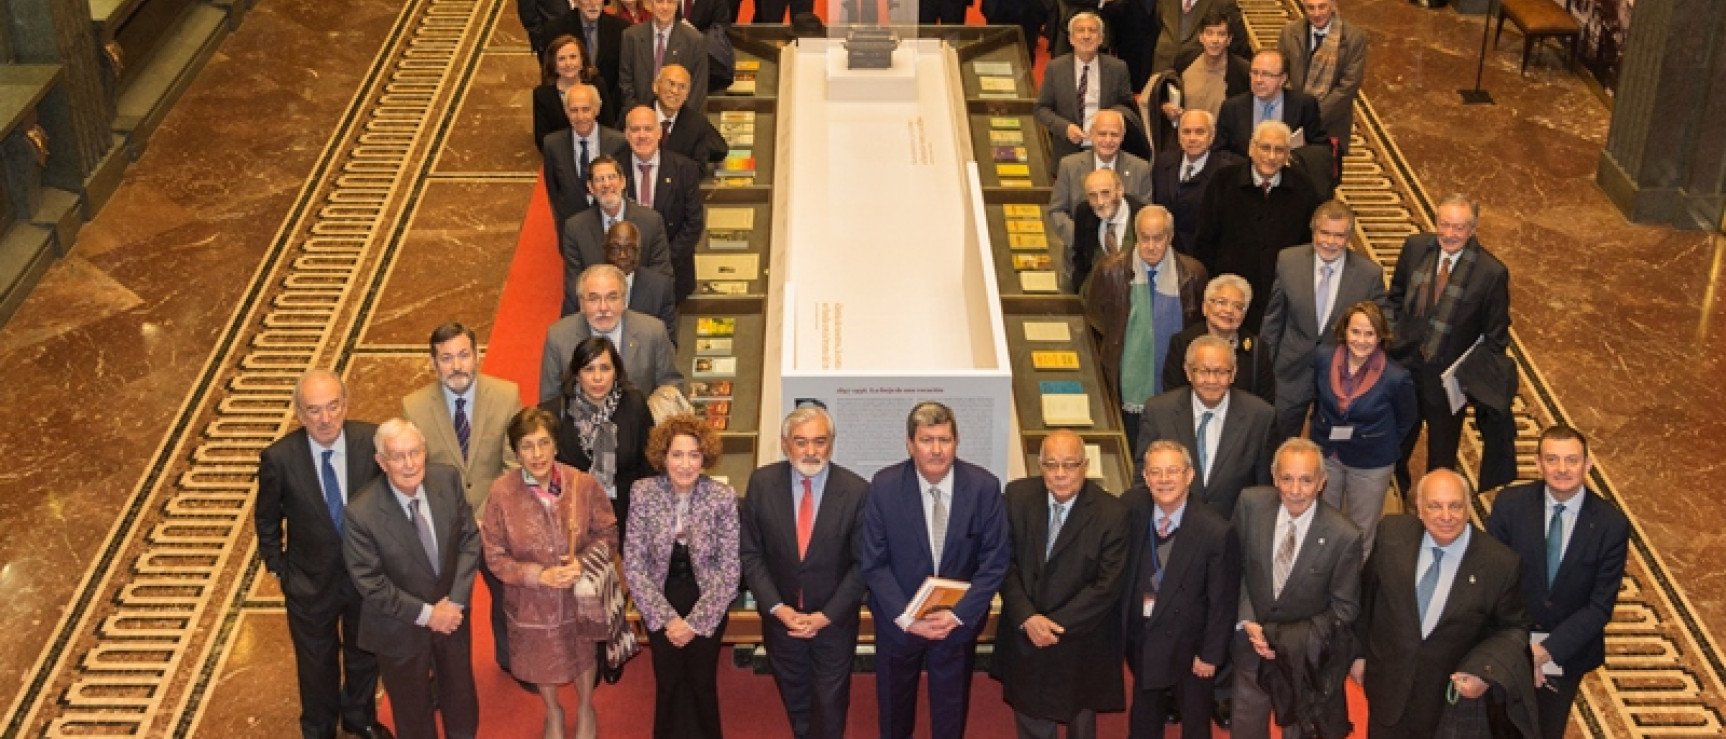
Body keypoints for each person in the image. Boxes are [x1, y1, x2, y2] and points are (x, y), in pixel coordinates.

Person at [861, 402, 1011, 739]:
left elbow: (995, 560)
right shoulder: (883, 487)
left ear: (957, 441)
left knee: (950, 716)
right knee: (894, 716)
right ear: (910, 444)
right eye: (927, 440)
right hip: (898, 624)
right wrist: (908, 617)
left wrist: (958, 615)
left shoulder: (984, 487)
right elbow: (874, 561)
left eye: (944, 440)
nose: (936, 450)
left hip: (955, 626)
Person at [1351, 469, 1537, 739]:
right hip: (1387, 694)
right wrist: (1358, 654)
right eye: (1435, 506)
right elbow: (1366, 596)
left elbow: (1514, 629)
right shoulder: (1391, 534)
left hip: (1448, 707)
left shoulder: (1500, 563)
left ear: (1468, 507)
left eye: (1455, 506)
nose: (1446, 517)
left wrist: (1484, 674)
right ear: (1419, 509)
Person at [255, 370, 388, 739]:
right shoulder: (279, 458)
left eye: (332, 407)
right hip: (309, 584)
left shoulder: (370, 443)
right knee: (316, 665)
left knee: (365, 654)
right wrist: (280, 568)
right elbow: (267, 519)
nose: (325, 418)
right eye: (314, 410)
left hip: (364, 579)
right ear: (299, 412)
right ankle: (319, 729)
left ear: (345, 405)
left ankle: (359, 718)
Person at [480, 407, 618, 739]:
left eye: (544, 443)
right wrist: (537, 575)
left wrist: (582, 562)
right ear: (516, 452)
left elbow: (608, 535)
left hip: (578, 594)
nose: (537, 454)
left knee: (582, 651)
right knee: (540, 657)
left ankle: (586, 706)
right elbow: (494, 555)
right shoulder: (501, 492)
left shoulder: (582, 484)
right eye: (527, 446)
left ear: (556, 445)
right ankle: (553, 711)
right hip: (530, 600)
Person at [1486, 425, 1630, 739]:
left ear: (1587, 465)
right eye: (1552, 459)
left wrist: (1545, 651)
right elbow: (1492, 580)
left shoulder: (1611, 525)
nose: (1562, 469)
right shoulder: (1510, 505)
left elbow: (1600, 605)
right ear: (1538, 464)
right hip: (1508, 643)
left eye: (1571, 460)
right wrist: (1518, 647)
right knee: (1497, 727)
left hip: (1565, 652)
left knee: (1545, 731)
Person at [342, 420, 482, 739]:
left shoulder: (446, 480)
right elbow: (371, 581)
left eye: (415, 452)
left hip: (452, 617)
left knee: (461, 698)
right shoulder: (361, 512)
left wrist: (456, 602)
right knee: (412, 712)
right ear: (381, 461)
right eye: (398, 456)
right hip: (399, 629)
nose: (409, 464)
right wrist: (430, 615)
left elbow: (469, 540)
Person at [738, 406, 871, 739]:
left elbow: (864, 563)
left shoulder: (856, 491)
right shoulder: (762, 483)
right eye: (801, 442)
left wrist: (825, 616)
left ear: (831, 444)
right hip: (782, 621)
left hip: (833, 623)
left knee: (830, 705)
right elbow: (751, 554)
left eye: (820, 441)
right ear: (785, 444)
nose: (811, 451)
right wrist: (778, 609)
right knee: (796, 702)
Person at [400, 323, 523, 684]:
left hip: (495, 520)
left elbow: (514, 462)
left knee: (506, 596)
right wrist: (460, 521)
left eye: (464, 355)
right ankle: (447, 677)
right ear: (434, 363)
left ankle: (512, 659)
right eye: (447, 358)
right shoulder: (415, 407)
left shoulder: (506, 395)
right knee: (449, 603)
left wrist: (486, 516)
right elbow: (416, 474)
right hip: (445, 529)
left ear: (477, 355)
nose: (457, 366)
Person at [995, 430, 1129, 739]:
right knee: (1030, 715)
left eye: (1069, 464)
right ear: (1039, 465)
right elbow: (1002, 562)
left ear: (1085, 465)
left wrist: (1053, 626)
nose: (1060, 474)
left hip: (1080, 637)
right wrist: (1028, 617)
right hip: (1025, 629)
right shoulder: (1016, 497)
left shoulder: (1112, 513)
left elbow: (1107, 585)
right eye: (1051, 464)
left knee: (1079, 719)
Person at [1229, 439, 1363, 739]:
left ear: (1322, 482)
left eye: (1306, 480)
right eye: (1286, 478)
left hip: (1304, 659)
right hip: (1251, 642)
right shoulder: (1250, 505)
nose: (1295, 490)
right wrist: (1248, 620)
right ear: (1274, 477)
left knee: (1297, 729)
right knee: (1246, 723)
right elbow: (1233, 568)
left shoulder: (1344, 536)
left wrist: (1288, 638)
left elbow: (1346, 608)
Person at [1386, 194, 1517, 495]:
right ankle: (1394, 495)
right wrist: (1394, 335)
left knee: (1441, 456)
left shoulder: (1491, 273)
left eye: (1458, 227)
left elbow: (1496, 338)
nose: (1449, 234)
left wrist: (1468, 376)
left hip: (1447, 385)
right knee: (1396, 440)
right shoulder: (1416, 247)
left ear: (1472, 229)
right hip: (1403, 368)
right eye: (1444, 224)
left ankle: (1434, 503)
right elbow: (1394, 298)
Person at [623, 415, 740, 739]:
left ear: (706, 458)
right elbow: (634, 564)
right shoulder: (643, 493)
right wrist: (667, 619)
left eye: (694, 455)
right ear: (663, 456)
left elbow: (730, 570)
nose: (686, 464)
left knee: (702, 682)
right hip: (661, 596)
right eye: (677, 454)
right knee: (669, 681)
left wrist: (695, 623)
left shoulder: (722, 497)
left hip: (708, 599)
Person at [1121, 440, 1240, 739]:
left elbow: (1222, 601)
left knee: (1195, 721)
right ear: (1145, 478)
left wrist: (1211, 655)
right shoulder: (1131, 509)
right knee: (1144, 717)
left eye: (1172, 471)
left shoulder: (1215, 530)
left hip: (1191, 647)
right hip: (1143, 636)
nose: (1164, 480)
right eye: (1155, 472)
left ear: (1189, 475)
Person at [1083, 205, 1207, 455]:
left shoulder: (1193, 275)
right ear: (1135, 235)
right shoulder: (1110, 271)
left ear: (1170, 237)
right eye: (1144, 237)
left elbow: (1197, 332)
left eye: (1158, 238)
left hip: (1174, 389)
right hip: (1126, 389)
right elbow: (1095, 322)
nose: (1150, 245)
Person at [1260, 199, 1388, 437]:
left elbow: (1381, 330)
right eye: (1324, 233)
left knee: (1331, 446)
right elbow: (1274, 319)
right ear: (1313, 231)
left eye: (1339, 236)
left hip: (1340, 378)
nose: (1330, 242)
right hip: (1289, 374)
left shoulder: (1369, 275)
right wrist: (1266, 368)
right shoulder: (1288, 261)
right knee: (1276, 442)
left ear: (1349, 238)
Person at [1310, 301, 1416, 557]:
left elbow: (1407, 419)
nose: (1362, 340)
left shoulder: (1396, 376)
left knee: (1361, 531)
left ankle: (1352, 586)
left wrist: (1379, 441)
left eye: (1370, 333)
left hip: (1371, 463)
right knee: (1322, 522)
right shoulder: (1324, 357)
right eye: (1356, 332)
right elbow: (1317, 398)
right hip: (1328, 453)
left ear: (1380, 336)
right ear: (1344, 331)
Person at [1195, 120, 1322, 333]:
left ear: (1287, 154)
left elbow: (1308, 246)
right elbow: (1205, 241)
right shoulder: (1223, 182)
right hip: (1231, 298)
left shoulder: (1304, 188)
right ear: (1251, 148)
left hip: (1281, 295)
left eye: (1279, 150)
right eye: (1265, 148)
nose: (1271, 157)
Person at [1135, 335, 1278, 520]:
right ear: (1188, 372)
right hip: (1171, 526)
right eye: (1203, 371)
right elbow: (1142, 477)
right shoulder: (1158, 412)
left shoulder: (1260, 417)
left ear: (1234, 373)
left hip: (1231, 531)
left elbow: (1263, 492)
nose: (1211, 380)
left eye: (1221, 372)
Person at [540, 336, 654, 544]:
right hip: (572, 520)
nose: (598, 378)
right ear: (576, 374)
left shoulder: (634, 404)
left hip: (628, 517)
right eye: (589, 369)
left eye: (605, 368)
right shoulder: (553, 412)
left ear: (616, 371)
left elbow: (650, 464)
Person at [542, 264, 683, 404]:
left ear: (624, 300)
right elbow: (549, 401)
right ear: (581, 304)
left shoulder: (653, 331)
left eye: (612, 297)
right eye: (594, 299)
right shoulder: (558, 336)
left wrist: (648, 416)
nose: (603, 308)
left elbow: (671, 387)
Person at [558, 156, 672, 315]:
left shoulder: (651, 221)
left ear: (623, 182)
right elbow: (574, 285)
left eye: (611, 177)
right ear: (590, 187)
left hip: (642, 314)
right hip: (596, 316)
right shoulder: (575, 228)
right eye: (599, 179)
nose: (606, 184)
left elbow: (661, 276)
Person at [623, 105, 706, 301]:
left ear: (660, 132)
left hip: (672, 275)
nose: (642, 135)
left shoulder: (684, 169)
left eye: (648, 129)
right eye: (635, 130)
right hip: (623, 277)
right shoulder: (614, 169)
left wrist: (662, 259)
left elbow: (693, 223)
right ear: (626, 134)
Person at [1034, 13, 1139, 161]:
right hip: (1067, 151)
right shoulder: (1055, 68)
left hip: (1107, 151)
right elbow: (1041, 109)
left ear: (1101, 39)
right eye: (1080, 30)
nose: (1086, 36)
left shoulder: (1117, 68)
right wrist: (1065, 128)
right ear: (1070, 39)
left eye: (1092, 30)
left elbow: (1128, 107)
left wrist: (1107, 123)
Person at [1144, 11, 1250, 156]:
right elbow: (1167, 90)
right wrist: (1167, 107)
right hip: (1184, 145)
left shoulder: (1241, 71)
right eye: (1210, 33)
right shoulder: (1186, 59)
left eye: (1221, 34)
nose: (1215, 40)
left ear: (1229, 40)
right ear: (1201, 37)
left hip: (1221, 150)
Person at [1164, 273, 1275, 405]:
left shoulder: (1256, 348)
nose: (1229, 310)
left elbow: (1265, 403)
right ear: (1205, 307)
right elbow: (1173, 396)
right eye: (1221, 302)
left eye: (1238, 306)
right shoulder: (1183, 343)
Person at [1048, 109, 1153, 248]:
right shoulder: (1069, 166)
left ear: (1123, 136)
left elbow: (1145, 214)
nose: (1108, 140)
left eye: (1114, 134)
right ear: (1091, 134)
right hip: (1080, 258)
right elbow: (1056, 211)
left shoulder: (1140, 168)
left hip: (1125, 256)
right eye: (1102, 134)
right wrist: (1080, 237)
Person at [1277, 0, 1366, 155]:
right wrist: (1296, 114)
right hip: (1292, 123)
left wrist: (1312, 119)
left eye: (1322, 6)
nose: (1316, 13)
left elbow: (1348, 87)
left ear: (1333, 5)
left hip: (1330, 125)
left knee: (1325, 175)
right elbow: (1281, 75)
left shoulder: (1354, 38)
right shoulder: (1289, 33)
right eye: (1310, 8)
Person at [1152, 110, 1241, 257]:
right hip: (1165, 253)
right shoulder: (1163, 162)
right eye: (1186, 132)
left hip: (1205, 257)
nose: (1192, 138)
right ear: (1178, 136)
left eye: (1199, 132)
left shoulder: (1226, 172)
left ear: (1212, 136)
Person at [543, 84, 629, 230]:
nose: (580, 117)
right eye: (574, 110)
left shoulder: (618, 142)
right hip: (571, 226)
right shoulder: (552, 144)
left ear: (596, 109)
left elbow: (624, 185)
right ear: (566, 112)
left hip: (611, 224)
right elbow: (553, 190)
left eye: (586, 109)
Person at [1214, 51, 1328, 158]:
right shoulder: (1232, 107)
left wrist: (1290, 158)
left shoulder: (1304, 105)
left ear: (1282, 79)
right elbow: (1219, 151)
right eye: (1254, 73)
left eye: (1266, 74)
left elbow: (1320, 147)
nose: (1258, 80)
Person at [618, 0, 708, 116]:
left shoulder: (695, 41)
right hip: (640, 121)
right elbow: (625, 82)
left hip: (679, 122)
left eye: (670, 2)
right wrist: (640, 116)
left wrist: (678, 121)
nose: (665, 7)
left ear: (677, 6)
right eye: (660, 2)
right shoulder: (630, 37)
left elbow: (698, 91)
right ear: (650, 4)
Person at [545, 0, 627, 125]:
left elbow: (624, 76)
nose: (593, 3)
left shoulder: (622, 29)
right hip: (566, 117)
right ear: (576, 2)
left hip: (610, 114)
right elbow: (550, 73)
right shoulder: (555, 29)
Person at [1066, 168, 1145, 293]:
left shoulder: (1143, 216)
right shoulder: (1084, 212)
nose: (1100, 202)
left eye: (1105, 193)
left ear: (1120, 190)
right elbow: (1080, 256)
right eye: (1092, 195)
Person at [603, 221, 677, 338]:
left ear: (639, 252)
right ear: (605, 251)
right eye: (615, 249)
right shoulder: (586, 285)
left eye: (630, 249)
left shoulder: (660, 288)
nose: (623, 255)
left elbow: (668, 343)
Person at [533, 36, 610, 147]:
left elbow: (608, 125)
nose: (568, 63)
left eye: (573, 57)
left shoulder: (598, 85)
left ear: (582, 60)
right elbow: (542, 139)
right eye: (562, 59)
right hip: (561, 156)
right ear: (554, 64)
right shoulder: (543, 95)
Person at [1150, 0, 1250, 77]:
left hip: (1203, 79)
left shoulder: (1223, 2)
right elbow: (1159, 23)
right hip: (1162, 72)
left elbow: (1239, 43)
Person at [653, 64, 727, 167]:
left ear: (687, 95)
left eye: (681, 87)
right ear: (655, 86)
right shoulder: (637, 116)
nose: (675, 91)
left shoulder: (696, 124)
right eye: (670, 83)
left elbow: (699, 168)